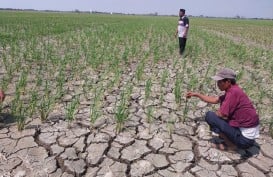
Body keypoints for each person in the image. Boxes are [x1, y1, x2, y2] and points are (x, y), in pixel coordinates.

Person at [186, 68, 259, 151]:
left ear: (227, 82)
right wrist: (197, 94)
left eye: (219, 82)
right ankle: (231, 138)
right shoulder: (235, 89)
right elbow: (215, 100)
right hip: (249, 138)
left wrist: (217, 115)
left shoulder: (232, 93)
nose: (217, 84)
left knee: (210, 116)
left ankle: (231, 145)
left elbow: (222, 114)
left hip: (244, 140)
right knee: (219, 119)